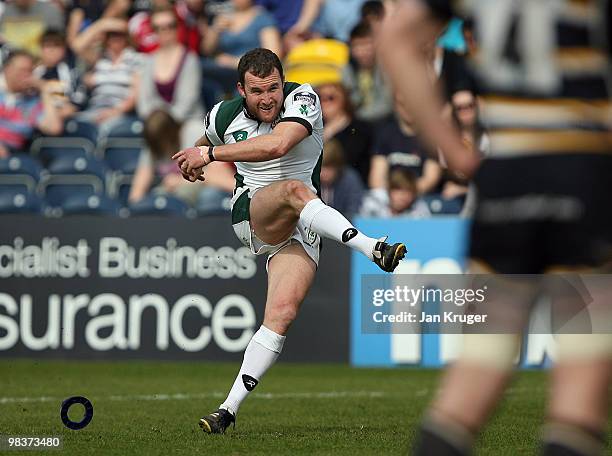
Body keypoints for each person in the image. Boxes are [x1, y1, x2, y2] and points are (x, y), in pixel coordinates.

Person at [378, 1, 612, 455]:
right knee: (578, 398)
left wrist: (452, 149)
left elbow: (396, 37)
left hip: (504, 174)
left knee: (471, 382)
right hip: (583, 165)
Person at [172, 48, 406, 433]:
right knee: (294, 189)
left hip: (305, 222)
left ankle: (227, 410)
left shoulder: (303, 98)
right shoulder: (223, 114)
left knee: (281, 314)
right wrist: (192, 161)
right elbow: (202, 144)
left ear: (283, 83)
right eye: (257, 91)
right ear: (241, 90)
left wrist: (207, 154)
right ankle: (372, 247)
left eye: (273, 88)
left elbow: (278, 145)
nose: (268, 98)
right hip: (254, 213)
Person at [201, 0, 282, 96]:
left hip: (251, 73)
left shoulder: (263, 18)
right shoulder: (224, 17)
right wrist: (215, 29)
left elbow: (274, 54)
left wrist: (234, 62)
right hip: (220, 72)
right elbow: (206, 50)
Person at [0, 50, 65, 157]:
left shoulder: (32, 102)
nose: (26, 76)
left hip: (13, 156)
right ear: (7, 70)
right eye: (21, 71)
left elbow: (54, 127)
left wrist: (43, 88)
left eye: (30, 71)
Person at [317, 81, 374, 185]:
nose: (324, 102)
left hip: (352, 187)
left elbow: (349, 160)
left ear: (344, 99)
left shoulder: (360, 128)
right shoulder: (313, 127)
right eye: (320, 97)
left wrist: (328, 132)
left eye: (331, 97)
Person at [342, 20, 393, 123]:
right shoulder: (348, 69)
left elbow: (387, 105)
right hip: (359, 123)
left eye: (366, 44)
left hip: (385, 120)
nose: (362, 51)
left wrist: (359, 118)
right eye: (356, 45)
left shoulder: (387, 67)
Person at [33, 29, 87, 114]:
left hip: (65, 118)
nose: (52, 50)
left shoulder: (72, 73)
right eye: (47, 46)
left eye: (56, 46)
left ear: (64, 49)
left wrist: (43, 86)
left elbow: (76, 103)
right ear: (40, 49)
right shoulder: (34, 72)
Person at [320, 139, 365, 218]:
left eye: (329, 168)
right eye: (321, 168)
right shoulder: (311, 180)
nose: (324, 173)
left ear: (338, 166)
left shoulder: (350, 180)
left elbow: (353, 212)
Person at [0, 0, 64, 55]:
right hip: (12, 62)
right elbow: (3, 40)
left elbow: (56, 44)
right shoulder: (6, 12)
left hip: (41, 62)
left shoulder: (50, 11)